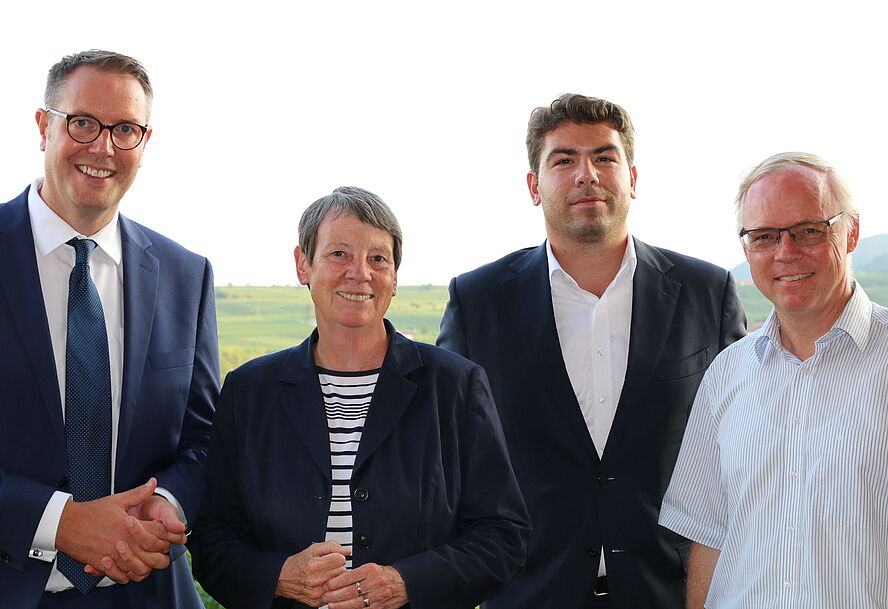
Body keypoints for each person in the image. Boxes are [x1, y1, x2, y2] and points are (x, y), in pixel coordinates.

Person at [436, 93, 747, 608]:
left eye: (605, 157)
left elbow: (740, 453)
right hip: (525, 595)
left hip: (670, 596)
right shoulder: (477, 301)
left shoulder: (705, 293)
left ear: (633, 178)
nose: (587, 174)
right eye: (564, 160)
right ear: (534, 186)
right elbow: (449, 464)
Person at [659, 151, 888, 608]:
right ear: (746, 248)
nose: (785, 252)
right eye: (765, 236)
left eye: (809, 231)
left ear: (851, 232)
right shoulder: (725, 376)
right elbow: (710, 540)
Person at [189, 186, 529, 609]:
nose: (360, 273)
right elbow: (211, 538)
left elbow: (502, 535)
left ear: (394, 277)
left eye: (378, 259)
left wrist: (407, 582)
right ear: (303, 265)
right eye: (339, 254)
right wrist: (279, 577)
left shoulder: (454, 385)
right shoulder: (248, 391)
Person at [0, 50, 220, 608]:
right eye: (83, 123)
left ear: (145, 144)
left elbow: (205, 439)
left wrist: (165, 506)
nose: (103, 147)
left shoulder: (185, 275)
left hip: (149, 592)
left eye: (125, 129)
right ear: (43, 125)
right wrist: (59, 522)